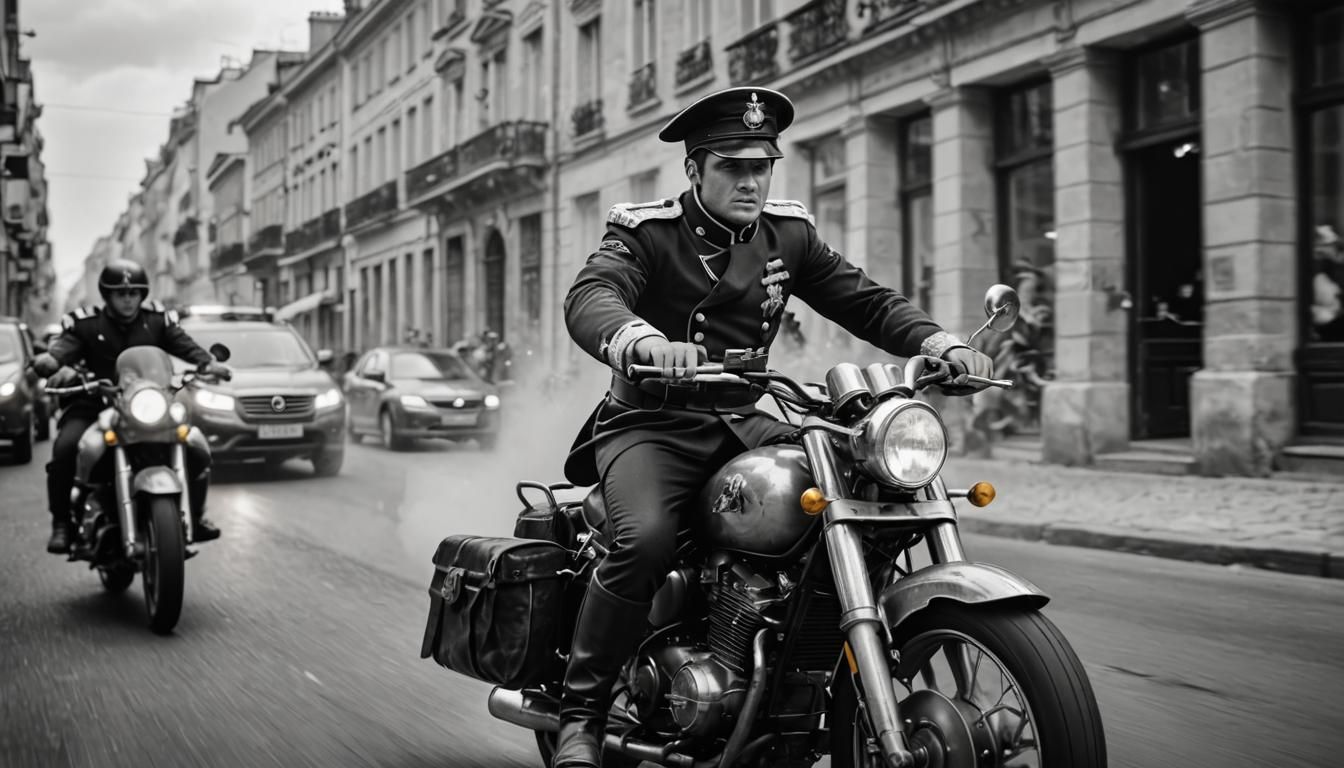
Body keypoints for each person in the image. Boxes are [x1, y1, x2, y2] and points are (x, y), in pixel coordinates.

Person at [554, 86, 993, 768]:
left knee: (861, 481)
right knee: (644, 542)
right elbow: (592, 296)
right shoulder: (647, 233)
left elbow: (865, 301)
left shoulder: (788, 235)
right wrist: (640, 340)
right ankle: (581, 716)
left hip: (742, 418)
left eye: (761, 166)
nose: (751, 180)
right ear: (695, 170)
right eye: (733, 166)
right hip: (653, 423)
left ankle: (801, 668)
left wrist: (938, 344)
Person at [32, 258, 233, 555]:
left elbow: (184, 345)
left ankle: (196, 514)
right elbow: (65, 346)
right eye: (120, 294)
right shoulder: (87, 323)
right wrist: (51, 360)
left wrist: (207, 363)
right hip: (95, 403)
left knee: (193, 443)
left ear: (142, 294)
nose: (128, 300)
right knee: (66, 448)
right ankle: (61, 523)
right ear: (107, 295)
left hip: (146, 403)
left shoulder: (156, 321)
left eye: (134, 293)